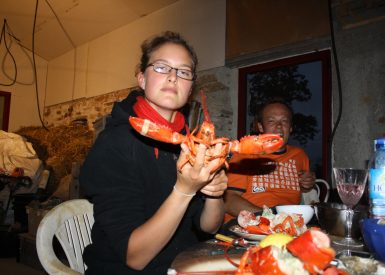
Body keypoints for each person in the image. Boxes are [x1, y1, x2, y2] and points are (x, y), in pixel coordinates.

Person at [80, 31, 227, 275]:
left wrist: (214, 192)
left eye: (183, 71)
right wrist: (184, 189)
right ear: (141, 78)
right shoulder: (115, 143)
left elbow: (209, 227)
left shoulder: (192, 143)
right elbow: (134, 257)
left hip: (183, 264)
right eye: (161, 67)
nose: (172, 77)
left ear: (190, 88)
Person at [223, 99, 315, 224]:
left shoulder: (300, 155)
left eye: (284, 121)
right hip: (247, 222)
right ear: (260, 127)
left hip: (289, 224)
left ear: (291, 127)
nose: (279, 126)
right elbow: (228, 200)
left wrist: (307, 184)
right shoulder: (245, 154)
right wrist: (269, 219)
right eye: (271, 121)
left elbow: (297, 189)